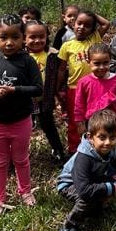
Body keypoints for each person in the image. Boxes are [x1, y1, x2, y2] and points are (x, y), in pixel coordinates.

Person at [0, 15, 43, 220]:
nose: (9, 42)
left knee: (21, 159)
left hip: (21, 121)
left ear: (23, 38)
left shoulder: (28, 62)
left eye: (15, 37)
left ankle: (26, 191)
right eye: (4, 37)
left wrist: (15, 89)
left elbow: (38, 89)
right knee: (0, 161)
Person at [57, 109, 116, 231]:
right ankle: (68, 227)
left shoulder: (113, 150)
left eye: (112, 138)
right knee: (87, 199)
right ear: (90, 137)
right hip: (70, 184)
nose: (107, 142)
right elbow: (84, 190)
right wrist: (110, 188)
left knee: (101, 194)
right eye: (102, 137)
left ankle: (98, 206)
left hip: (93, 179)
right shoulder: (83, 157)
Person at [58, 10, 112, 153]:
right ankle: (75, 150)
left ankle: (95, 147)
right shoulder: (67, 46)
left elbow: (106, 24)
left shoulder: (94, 39)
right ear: (73, 23)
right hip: (74, 88)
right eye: (79, 23)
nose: (82, 27)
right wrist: (59, 87)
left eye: (87, 25)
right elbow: (62, 69)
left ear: (92, 29)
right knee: (75, 120)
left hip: (94, 87)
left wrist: (91, 13)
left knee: (95, 118)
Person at [23, 20, 66, 163]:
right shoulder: (20, 56)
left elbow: (61, 74)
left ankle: (58, 150)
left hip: (45, 98)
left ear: (47, 36)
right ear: (24, 38)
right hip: (25, 99)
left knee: (48, 124)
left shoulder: (52, 54)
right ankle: (19, 153)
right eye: (32, 37)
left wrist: (60, 93)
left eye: (41, 36)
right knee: (23, 126)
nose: (37, 40)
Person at [74, 43, 116, 130]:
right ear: (88, 62)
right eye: (97, 64)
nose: (101, 67)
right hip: (91, 124)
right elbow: (79, 104)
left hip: (111, 124)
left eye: (105, 63)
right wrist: (80, 123)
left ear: (110, 61)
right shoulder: (84, 82)